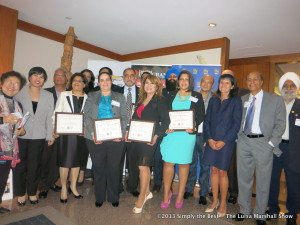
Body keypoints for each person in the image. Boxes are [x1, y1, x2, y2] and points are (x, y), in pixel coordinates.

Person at [234, 71, 286, 225]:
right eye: (249, 80)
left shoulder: (275, 99)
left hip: (263, 143)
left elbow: (281, 124)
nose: (252, 82)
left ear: (261, 81)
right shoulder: (242, 99)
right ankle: (244, 210)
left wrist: (271, 143)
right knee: (243, 178)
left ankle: (260, 213)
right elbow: (238, 120)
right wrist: (238, 137)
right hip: (244, 142)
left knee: (263, 180)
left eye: (255, 79)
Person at [160, 70, 205, 209]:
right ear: (178, 81)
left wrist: (193, 125)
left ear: (190, 81)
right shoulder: (170, 95)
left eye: (187, 79)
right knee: (168, 164)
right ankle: (166, 194)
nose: (184, 81)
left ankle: (180, 194)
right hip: (171, 135)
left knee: (184, 165)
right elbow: (164, 113)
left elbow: (201, 114)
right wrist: (167, 126)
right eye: (181, 79)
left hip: (186, 136)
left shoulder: (196, 96)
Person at [126, 74, 170, 213]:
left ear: (157, 87)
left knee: (143, 166)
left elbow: (167, 122)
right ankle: (148, 192)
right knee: (140, 166)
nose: (148, 85)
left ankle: (141, 197)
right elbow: (134, 119)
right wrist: (128, 131)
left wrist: (156, 136)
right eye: (146, 83)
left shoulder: (160, 100)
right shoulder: (141, 101)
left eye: (152, 83)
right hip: (137, 138)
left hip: (150, 139)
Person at [84, 72, 127, 208]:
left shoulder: (120, 97)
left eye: (107, 80)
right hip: (95, 137)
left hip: (116, 138)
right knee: (99, 167)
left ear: (111, 81)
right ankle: (100, 197)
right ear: (98, 82)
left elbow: (125, 117)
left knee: (114, 168)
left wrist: (119, 133)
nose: (105, 82)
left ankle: (114, 196)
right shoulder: (91, 96)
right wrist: (92, 133)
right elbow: (86, 116)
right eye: (102, 80)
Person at [202, 74, 243, 217]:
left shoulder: (236, 101)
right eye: (221, 83)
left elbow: (236, 124)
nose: (223, 85)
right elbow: (207, 121)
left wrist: (224, 141)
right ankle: (215, 200)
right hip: (212, 141)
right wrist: (210, 139)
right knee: (213, 170)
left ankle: (223, 203)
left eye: (227, 83)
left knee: (222, 172)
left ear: (232, 86)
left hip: (226, 142)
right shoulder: (213, 100)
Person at [14, 67, 54, 206]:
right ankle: (20, 193)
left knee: (35, 165)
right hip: (21, 135)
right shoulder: (19, 92)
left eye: (42, 77)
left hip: (39, 135)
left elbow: (50, 117)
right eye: (35, 75)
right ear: (30, 77)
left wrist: (50, 135)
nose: (38, 79)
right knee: (20, 165)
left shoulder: (48, 95)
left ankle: (31, 192)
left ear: (44, 80)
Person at [267, 72, 300, 225]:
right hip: (275, 148)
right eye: (285, 86)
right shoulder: (275, 104)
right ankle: (272, 210)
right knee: (272, 180)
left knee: (293, 183)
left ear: (297, 87)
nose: (288, 88)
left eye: (291, 85)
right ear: (281, 88)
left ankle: (292, 214)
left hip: (294, 151)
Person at [53, 73, 88, 203]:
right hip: (65, 133)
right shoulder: (64, 95)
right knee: (65, 162)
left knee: (76, 162)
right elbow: (56, 112)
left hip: (80, 135)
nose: (77, 82)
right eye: (74, 80)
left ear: (84, 84)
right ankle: (64, 188)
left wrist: (86, 128)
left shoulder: (88, 98)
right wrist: (55, 127)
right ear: (71, 83)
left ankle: (73, 187)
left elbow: (88, 117)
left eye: (80, 81)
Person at [183, 75, 214, 206]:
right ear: (200, 83)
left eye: (209, 82)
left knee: (205, 166)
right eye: (204, 81)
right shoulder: (193, 96)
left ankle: (203, 193)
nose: (206, 84)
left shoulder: (216, 99)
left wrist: (210, 137)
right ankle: (189, 189)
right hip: (191, 134)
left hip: (205, 136)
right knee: (191, 163)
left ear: (213, 85)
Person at [221, 69, 250, 205]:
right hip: (218, 136)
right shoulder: (217, 94)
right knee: (219, 165)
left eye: (229, 78)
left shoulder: (244, 93)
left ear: (233, 81)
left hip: (236, 136)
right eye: (223, 79)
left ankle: (234, 192)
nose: (225, 82)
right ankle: (222, 189)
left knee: (233, 167)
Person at [39, 67, 67, 199]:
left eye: (62, 76)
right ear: (53, 77)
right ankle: (43, 187)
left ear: (66, 78)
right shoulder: (45, 92)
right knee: (46, 159)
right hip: (49, 132)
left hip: (65, 133)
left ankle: (54, 182)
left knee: (58, 160)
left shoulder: (70, 93)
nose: (59, 77)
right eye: (57, 75)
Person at [0, 71, 26, 213]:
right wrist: (3, 119)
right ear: (2, 82)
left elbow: (19, 126)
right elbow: (6, 120)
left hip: (8, 149)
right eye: (9, 81)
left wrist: (21, 131)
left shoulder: (18, 104)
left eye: (16, 83)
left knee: (2, 177)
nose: (12, 85)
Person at [152, 68, 180, 193]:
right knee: (158, 158)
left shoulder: (182, 93)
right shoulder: (160, 93)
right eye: (170, 76)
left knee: (171, 159)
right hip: (161, 130)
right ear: (166, 79)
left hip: (175, 132)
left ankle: (170, 183)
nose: (172, 78)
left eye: (175, 76)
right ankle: (157, 182)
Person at [116, 68, 140, 196]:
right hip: (118, 130)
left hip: (136, 131)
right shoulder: (115, 92)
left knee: (134, 162)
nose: (129, 78)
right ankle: (117, 185)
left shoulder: (143, 92)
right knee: (117, 161)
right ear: (123, 77)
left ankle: (132, 187)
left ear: (135, 78)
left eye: (132, 75)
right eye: (126, 75)